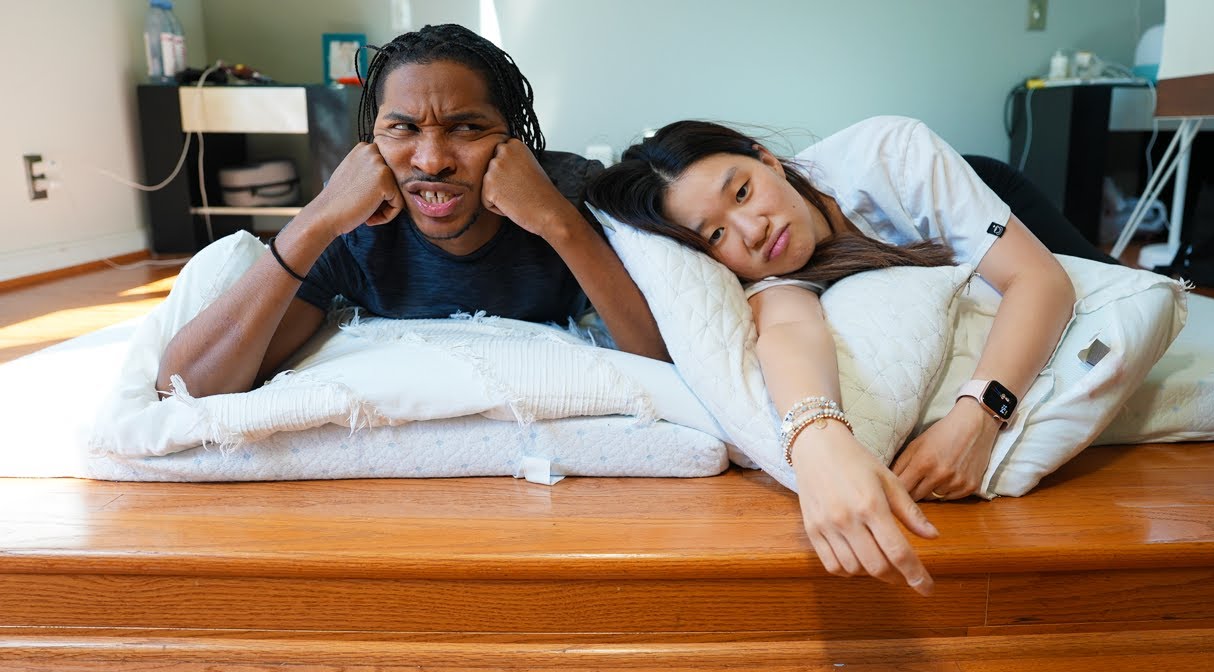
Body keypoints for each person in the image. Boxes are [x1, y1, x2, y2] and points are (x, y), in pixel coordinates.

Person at [587, 116, 1087, 595]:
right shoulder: (758, 273)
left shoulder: (891, 155)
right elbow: (787, 330)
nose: (751, 229)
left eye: (742, 192)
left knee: (1101, 281)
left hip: (988, 194)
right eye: (715, 234)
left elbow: (1039, 279)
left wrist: (977, 418)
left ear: (768, 160)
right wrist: (818, 444)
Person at [156, 24, 667, 398]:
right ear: (372, 139)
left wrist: (557, 223)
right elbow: (184, 386)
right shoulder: (354, 226)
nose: (432, 160)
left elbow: (665, 361)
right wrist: (317, 218)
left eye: (467, 128)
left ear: (512, 138)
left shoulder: (571, 192)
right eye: (402, 128)